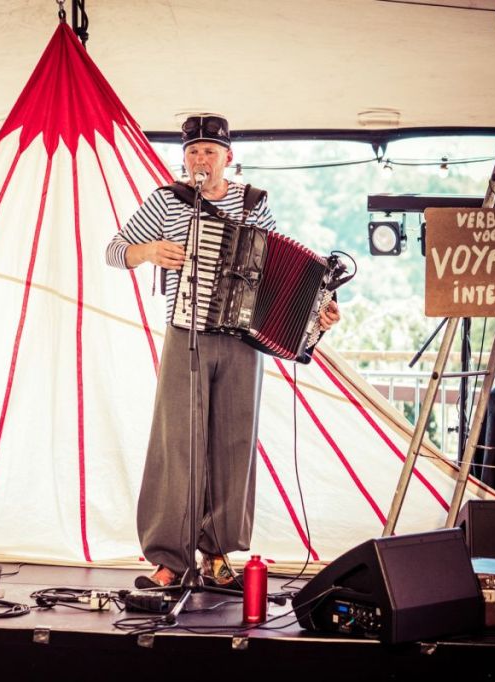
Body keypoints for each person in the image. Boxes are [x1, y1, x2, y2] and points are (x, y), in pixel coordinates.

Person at [105, 114, 341, 588]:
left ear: (228, 158)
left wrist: (319, 308)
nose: (200, 159)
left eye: (210, 151)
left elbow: (280, 272)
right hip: (185, 333)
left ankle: (217, 551)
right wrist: (148, 251)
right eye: (193, 151)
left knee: (234, 443)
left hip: (242, 340)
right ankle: (171, 558)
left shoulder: (254, 204)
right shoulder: (166, 201)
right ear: (184, 157)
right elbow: (114, 250)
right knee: (178, 443)